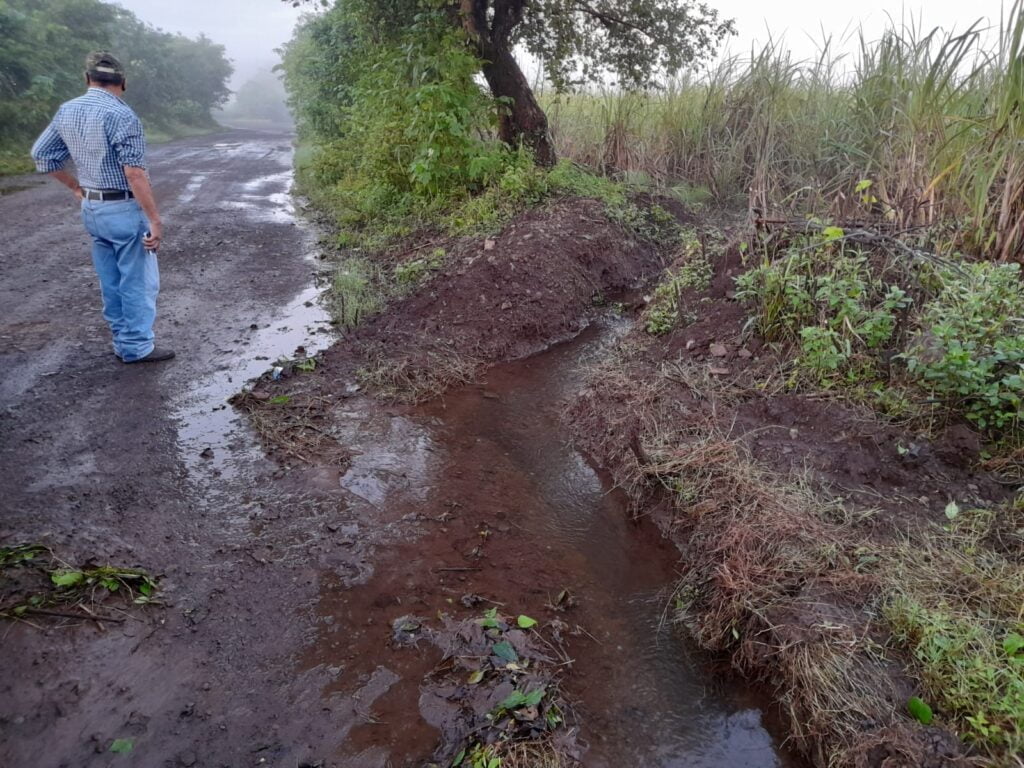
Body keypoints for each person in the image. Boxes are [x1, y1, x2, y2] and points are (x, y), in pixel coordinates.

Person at [31, 51, 173, 364]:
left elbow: (42, 155)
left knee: (110, 279)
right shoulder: (122, 115)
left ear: (87, 79)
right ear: (123, 82)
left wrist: (75, 187)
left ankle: (123, 342)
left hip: (92, 208)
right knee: (136, 280)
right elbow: (134, 173)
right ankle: (136, 347)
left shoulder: (68, 110)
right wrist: (155, 220)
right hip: (122, 207)